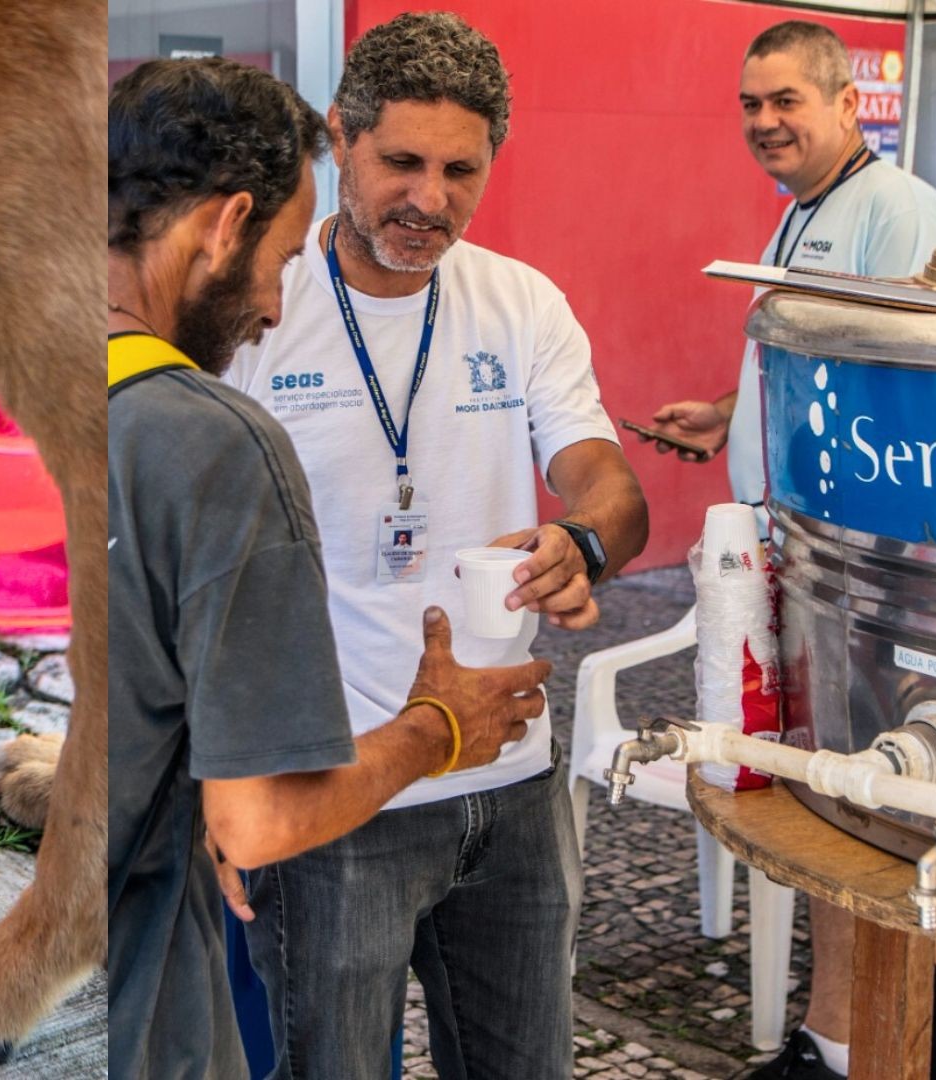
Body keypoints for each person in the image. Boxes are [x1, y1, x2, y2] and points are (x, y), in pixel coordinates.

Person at [107, 57, 554, 1080]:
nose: (273, 303)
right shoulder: (215, 437)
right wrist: (440, 727)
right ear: (224, 229)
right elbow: (259, 820)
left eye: (460, 168)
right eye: (274, 260)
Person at [223, 13, 649, 1079]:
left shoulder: (521, 303)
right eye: (401, 163)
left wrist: (583, 544)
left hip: (511, 782)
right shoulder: (259, 311)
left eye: (462, 170)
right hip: (335, 788)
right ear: (340, 141)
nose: (430, 200)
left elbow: (610, 484)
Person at [642, 22, 936, 1080]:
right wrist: (732, 413)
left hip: (870, 585)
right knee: (829, 814)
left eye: (786, 100)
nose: (765, 122)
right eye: (750, 105)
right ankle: (838, 1042)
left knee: (869, 823)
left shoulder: (899, 211)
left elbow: (924, 381)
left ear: (846, 103)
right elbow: (820, 362)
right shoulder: (802, 216)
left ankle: (883, 1044)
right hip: (803, 572)